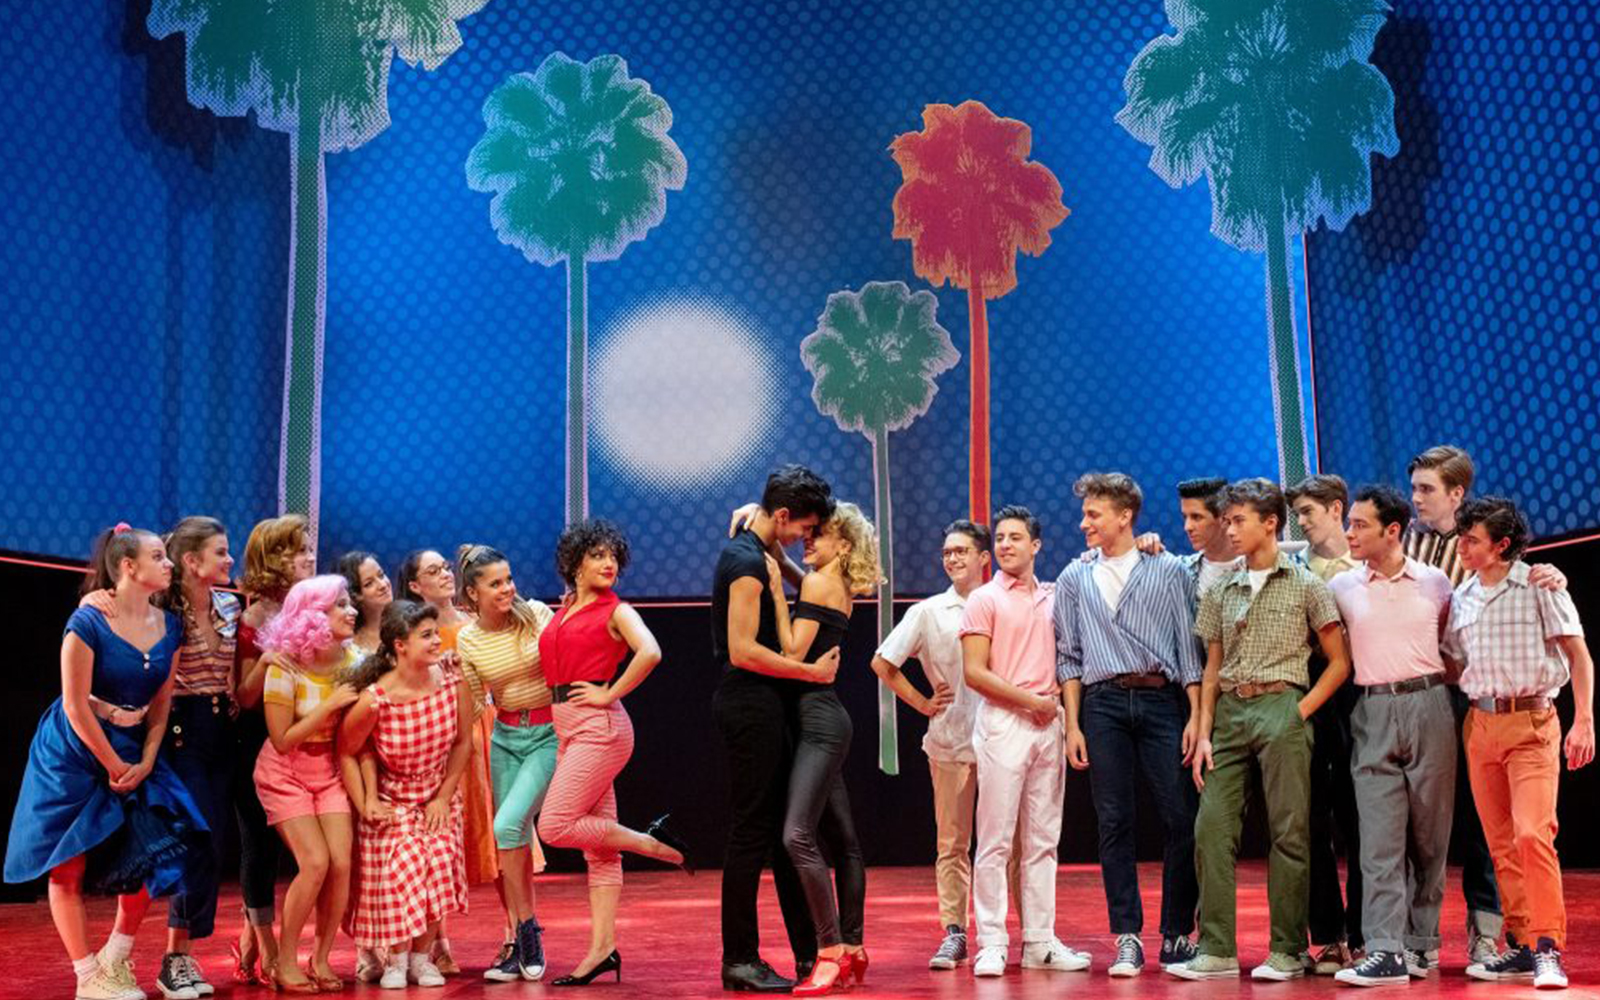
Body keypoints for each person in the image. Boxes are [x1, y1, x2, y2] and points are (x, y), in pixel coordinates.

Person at [5, 525, 208, 1000]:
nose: (170, 564)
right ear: (128, 567)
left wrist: (148, 757)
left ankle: (116, 958)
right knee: (67, 864)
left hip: (137, 746)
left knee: (152, 850)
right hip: (77, 747)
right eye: (159, 556)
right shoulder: (89, 621)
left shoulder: (170, 625)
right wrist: (114, 763)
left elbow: (161, 705)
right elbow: (75, 704)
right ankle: (87, 974)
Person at [1171, 479, 1349, 982]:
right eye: (1226, 520)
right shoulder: (1221, 588)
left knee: (1289, 832)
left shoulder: (1307, 585)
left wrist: (1300, 710)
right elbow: (1211, 667)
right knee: (1211, 828)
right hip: (1229, 710)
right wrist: (1204, 731)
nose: (1229, 528)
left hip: (1283, 705)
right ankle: (1217, 948)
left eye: (1238, 520)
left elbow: (1338, 662)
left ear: (1270, 523)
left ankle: (1288, 950)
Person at [1054, 474, 1201, 976]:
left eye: (1094, 514)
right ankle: (1128, 936)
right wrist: (1072, 725)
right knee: (1114, 820)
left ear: (1125, 515)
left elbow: (1188, 649)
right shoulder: (1075, 577)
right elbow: (1068, 656)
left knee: (1181, 817)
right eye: (1085, 514)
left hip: (1162, 701)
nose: (1084, 523)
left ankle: (1178, 932)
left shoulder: (1167, 568)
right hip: (1102, 704)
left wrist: (1195, 717)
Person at [1445, 497, 1594, 990]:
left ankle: (1549, 947)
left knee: (1534, 834)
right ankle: (1524, 943)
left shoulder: (1538, 585)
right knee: (1501, 844)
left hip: (1531, 720)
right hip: (1482, 724)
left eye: (1473, 540)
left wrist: (1584, 721)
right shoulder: (1463, 596)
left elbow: (1579, 655)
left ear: (1502, 545)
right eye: (1461, 538)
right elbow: (1454, 659)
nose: (1462, 547)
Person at [535, 519, 686, 986]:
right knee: (599, 854)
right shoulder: (563, 611)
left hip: (600, 726)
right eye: (598, 555)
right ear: (574, 564)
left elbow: (651, 652)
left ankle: (645, 841)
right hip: (569, 727)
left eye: (613, 557)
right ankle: (602, 950)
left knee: (555, 826)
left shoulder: (616, 610)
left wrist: (608, 693)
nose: (608, 564)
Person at [712, 465, 839, 993]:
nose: (805, 538)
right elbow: (742, 651)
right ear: (783, 515)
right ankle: (739, 958)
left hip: (768, 702)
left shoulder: (759, 550)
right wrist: (808, 672)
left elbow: (784, 567)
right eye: (801, 528)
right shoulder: (744, 562)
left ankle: (810, 953)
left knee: (785, 835)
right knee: (752, 834)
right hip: (750, 703)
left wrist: (778, 552)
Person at [1327, 484, 1457, 987]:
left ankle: (1420, 944)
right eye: (1350, 523)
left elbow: (1451, 639)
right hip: (1373, 709)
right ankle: (1383, 949)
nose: (1350, 533)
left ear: (1393, 531)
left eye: (1360, 525)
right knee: (1378, 839)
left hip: (1429, 705)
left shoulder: (1436, 582)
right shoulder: (1343, 587)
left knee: (1430, 837)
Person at [962, 504, 1091, 978]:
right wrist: (1029, 702)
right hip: (1004, 723)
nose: (1005, 545)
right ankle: (992, 941)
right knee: (995, 840)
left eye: (1015, 537)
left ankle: (1039, 940)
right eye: (999, 538)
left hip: (1048, 724)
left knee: (1042, 841)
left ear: (1036, 546)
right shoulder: (984, 599)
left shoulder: (1056, 595)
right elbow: (975, 672)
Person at [870, 519, 993, 970]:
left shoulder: (1003, 602)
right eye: (947, 552)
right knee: (953, 843)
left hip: (1003, 741)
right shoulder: (928, 611)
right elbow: (883, 662)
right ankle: (955, 931)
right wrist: (923, 702)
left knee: (1008, 845)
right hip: (951, 740)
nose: (953, 558)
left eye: (962, 550)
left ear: (984, 557)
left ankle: (1014, 934)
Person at [766, 503, 879, 995]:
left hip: (818, 722)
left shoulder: (819, 585)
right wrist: (782, 563)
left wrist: (771, 586)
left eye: (820, 535)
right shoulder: (839, 585)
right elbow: (806, 586)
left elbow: (791, 651)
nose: (808, 540)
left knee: (796, 837)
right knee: (846, 843)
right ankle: (852, 947)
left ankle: (829, 950)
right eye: (807, 533)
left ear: (845, 544)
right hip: (829, 719)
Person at [340, 600, 472, 990]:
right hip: (393, 800)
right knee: (405, 869)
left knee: (437, 866)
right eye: (426, 635)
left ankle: (420, 958)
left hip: (436, 795)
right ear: (400, 645)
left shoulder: (451, 683)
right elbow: (347, 750)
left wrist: (443, 797)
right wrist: (366, 801)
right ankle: (395, 959)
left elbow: (463, 743)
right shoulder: (376, 699)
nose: (437, 641)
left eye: (436, 633)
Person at [253, 575, 362, 993]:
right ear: (315, 616)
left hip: (329, 769)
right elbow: (282, 739)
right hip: (285, 771)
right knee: (314, 862)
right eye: (340, 605)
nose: (351, 611)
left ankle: (320, 957)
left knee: (340, 864)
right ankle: (283, 960)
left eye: (349, 603)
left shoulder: (353, 660)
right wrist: (331, 705)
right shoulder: (286, 663)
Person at [455, 545, 557, 983]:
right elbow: (475, 702)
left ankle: (527, 931)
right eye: (495, 583)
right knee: (509, 843)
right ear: (472, 593)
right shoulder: (468, 638)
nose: (507, 588)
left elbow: (566, 666)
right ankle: (520, 938)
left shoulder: (536, 614)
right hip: (505, 737)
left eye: (508, 579)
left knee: (506, 827)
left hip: (549, 734)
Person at [230, 514, 314, 986]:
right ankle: (265, 945)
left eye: (306, 548)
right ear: (273, 559)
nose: (307, 557)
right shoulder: (253, 617)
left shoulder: (317, 607)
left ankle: (258, 934)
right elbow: (242, 695)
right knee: (258, 847)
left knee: (313, 853)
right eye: (296, 550)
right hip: (258, 739)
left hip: (309, 737)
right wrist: (267, 657)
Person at [1286, 475, 1363, 973]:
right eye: (1299, 513)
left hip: (1363, 702)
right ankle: (1328, 936)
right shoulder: (1295, 571)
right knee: (1311, 822)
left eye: (1310, 511)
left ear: (1337, 509)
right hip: (1314, 698)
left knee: (1362, 826)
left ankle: (1364, 934)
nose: (1303, 521)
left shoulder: (1365, 565)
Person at [338, 552, 392, 658]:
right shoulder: (347, 642)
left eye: (381, 575)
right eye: (369, 583)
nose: (383, 585)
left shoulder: (409, 625)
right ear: (356, 595)